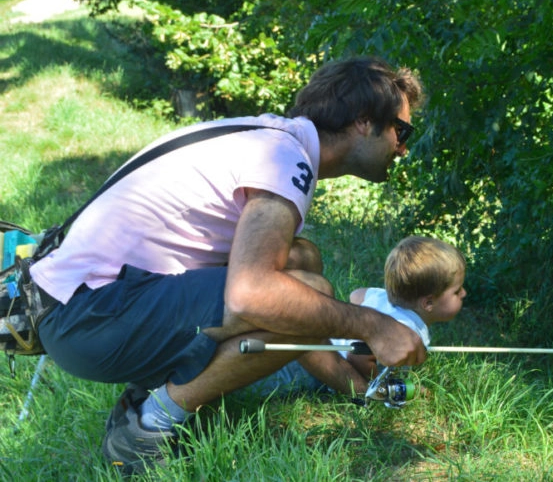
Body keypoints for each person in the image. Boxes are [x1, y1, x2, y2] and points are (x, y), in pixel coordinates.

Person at [29, 56, 428, 474]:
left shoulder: (273, 137)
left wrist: (354, 383)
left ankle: (160, 389)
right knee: (305, 293)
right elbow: (251, 295)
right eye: (402, 131)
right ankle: (147, 426)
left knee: (300, 260)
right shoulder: (284, 158)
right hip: (87, 320)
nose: (402, 147)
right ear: (364, 122)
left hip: (83, 306)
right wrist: (373, 325)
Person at [248, 235, 467, 398]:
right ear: (428, 302)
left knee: (262, 367)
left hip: (313, 349)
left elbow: (357, 294)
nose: (464, 294)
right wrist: (385, 387)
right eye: (457, 291)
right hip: (315, 374)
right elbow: (358, 358)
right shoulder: (404, 327)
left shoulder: (382, 297)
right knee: (265, 385)